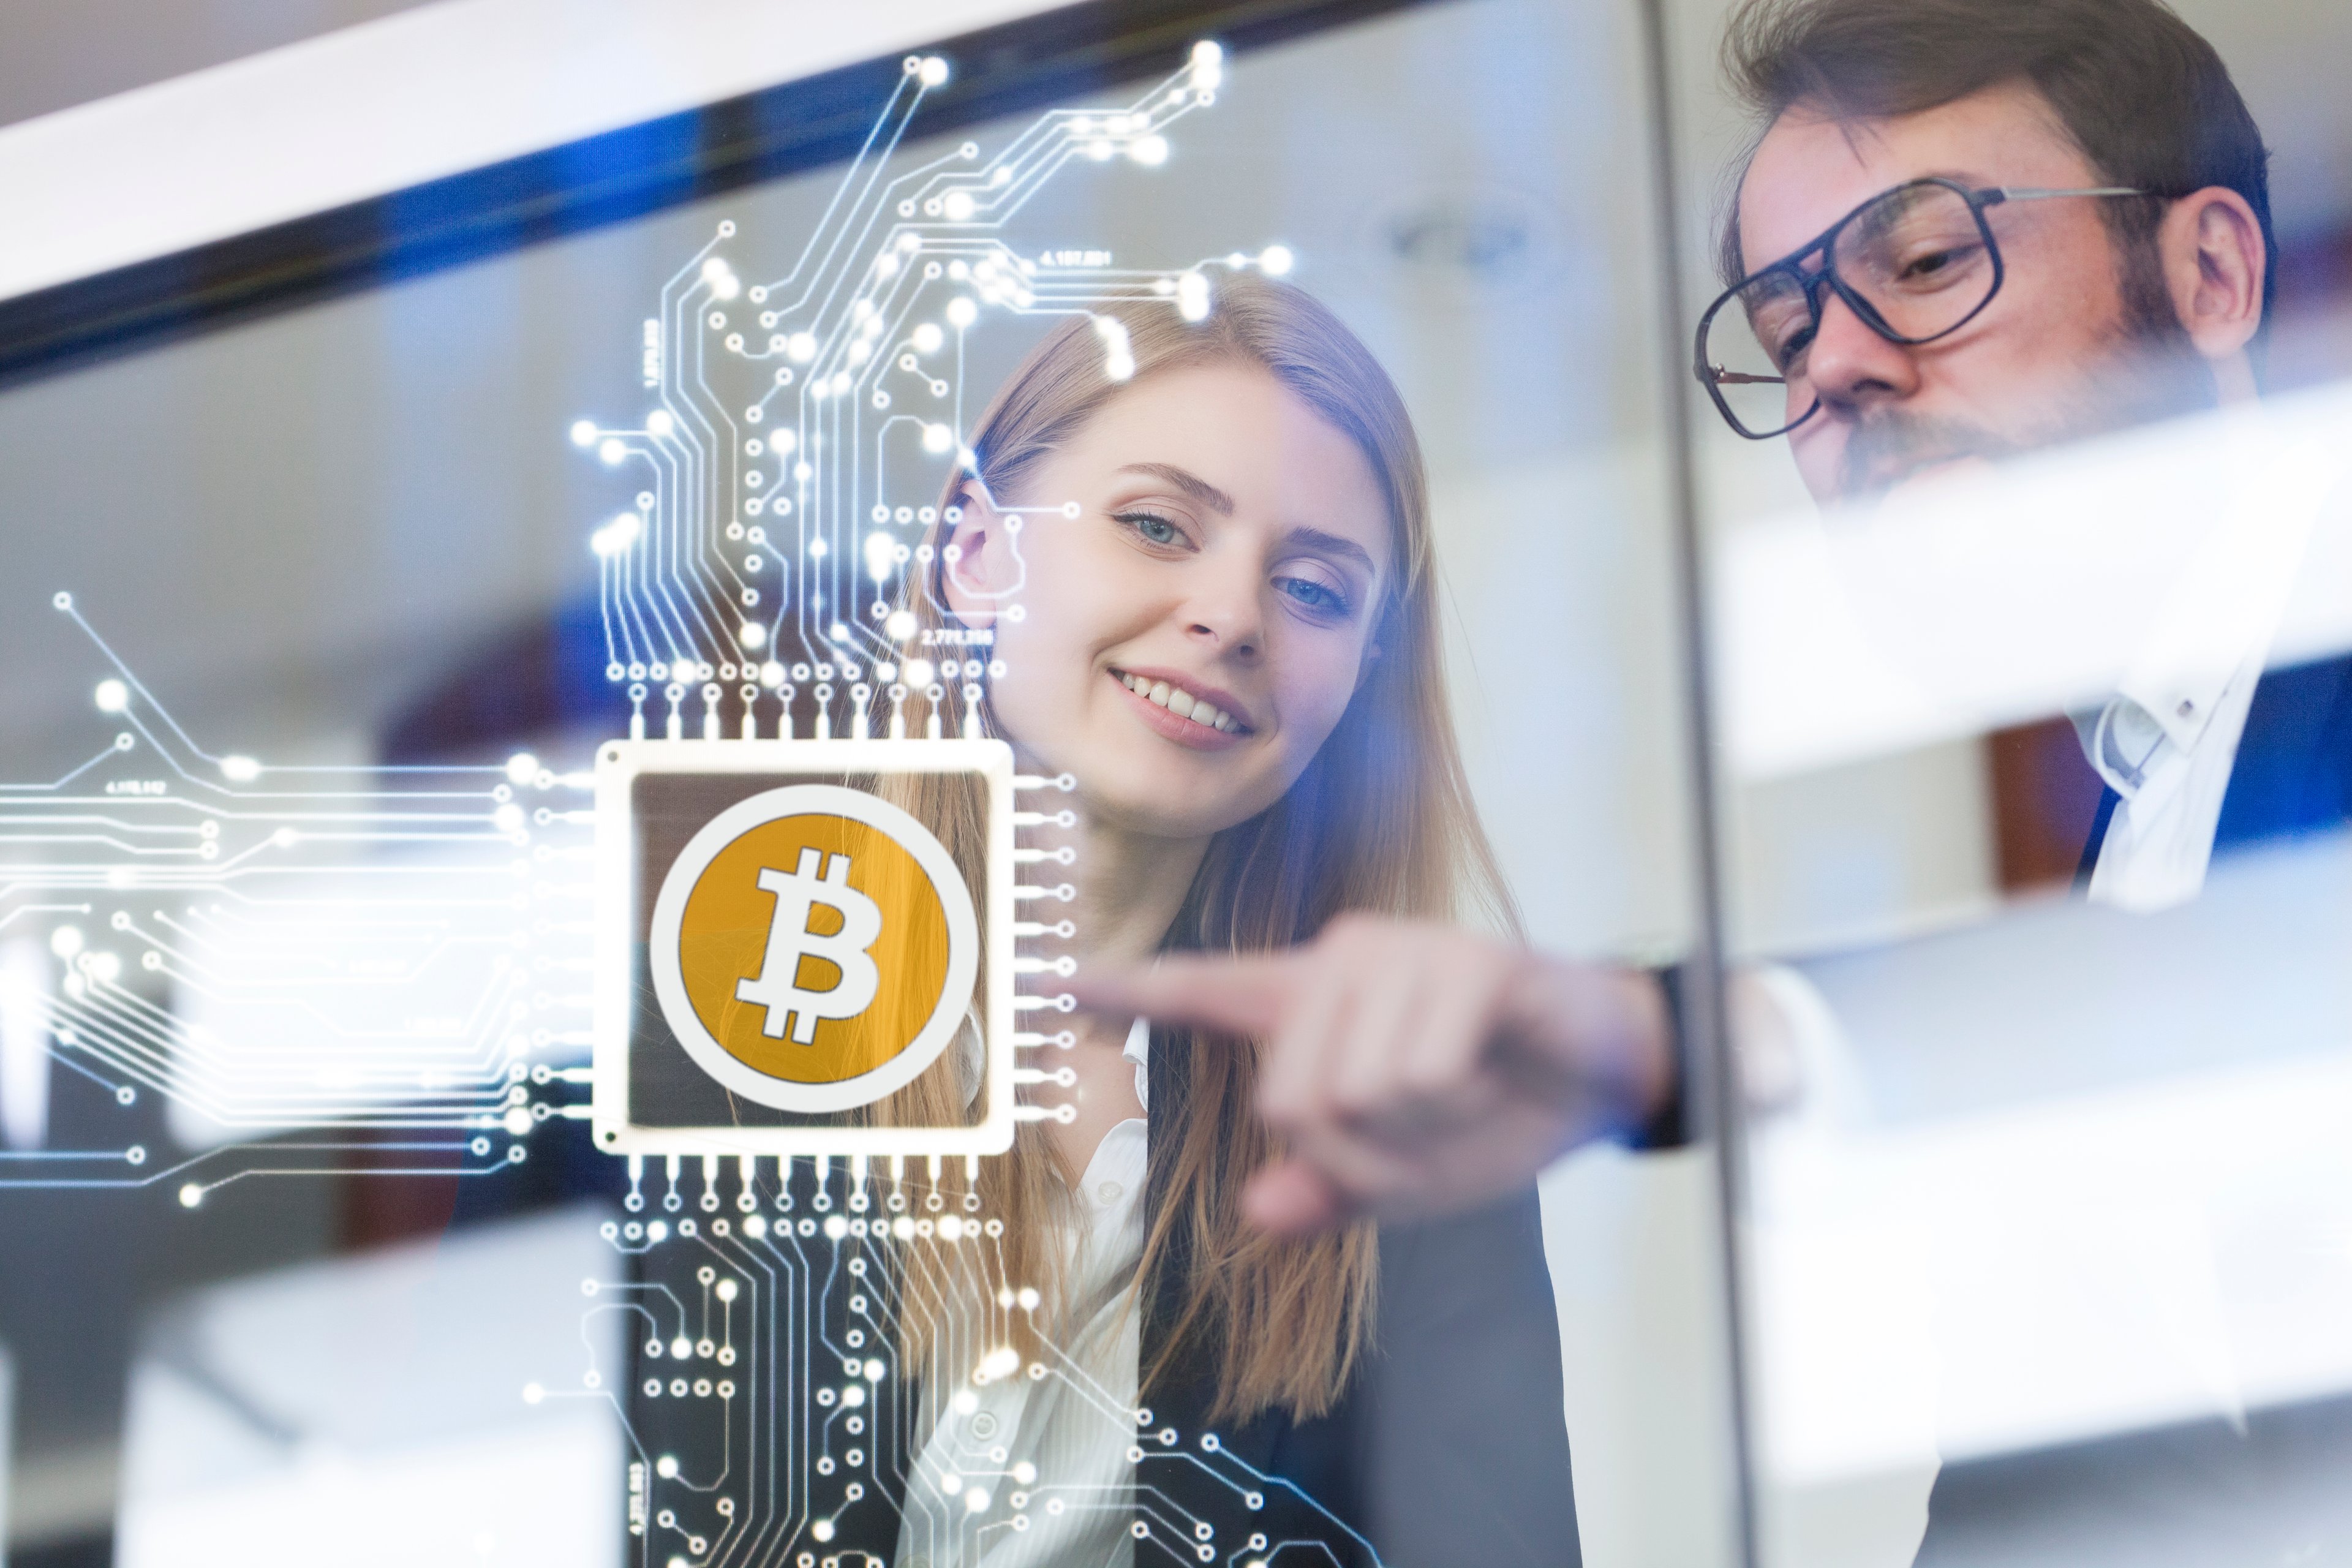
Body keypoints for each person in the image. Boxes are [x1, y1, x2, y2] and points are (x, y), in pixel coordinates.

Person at [1080, 0, 2351, 1240]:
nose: (1836, 369)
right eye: (1789, 336)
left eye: (1925, 263)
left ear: (2213, 275)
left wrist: (1675, 1038)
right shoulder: (2147, 795)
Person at [875, 273, 1579, 1566]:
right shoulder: (699, 1041)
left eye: (1313, 592)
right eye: (1155, 525)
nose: (1231, 616)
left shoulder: (1409, 1119)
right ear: (977, 554)